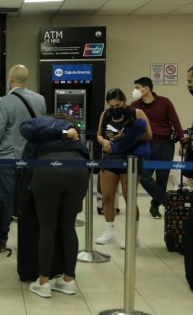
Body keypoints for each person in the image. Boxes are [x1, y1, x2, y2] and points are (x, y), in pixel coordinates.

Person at [20, 114, 90, 298]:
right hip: (79, 168)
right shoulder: (73, 132)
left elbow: (24, 130)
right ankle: (68, 280)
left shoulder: (39, 122)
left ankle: (43, 282)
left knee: (47, 227)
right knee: (68, 226)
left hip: (47, 168)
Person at [0, 64, 46, 249]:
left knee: (6, 198)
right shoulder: (40, 99)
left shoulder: (4, 102)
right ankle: (30, 241)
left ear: (11, 79)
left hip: (8, 157)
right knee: (29, 200)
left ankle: (2, 239)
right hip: (31, 157)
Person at [95, 88, 152, 249]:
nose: (115, 108)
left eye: (118, 105)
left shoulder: (136, 113)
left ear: (125, 100)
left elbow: (149, 134)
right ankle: (109, 231)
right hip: (110, 159)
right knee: (107, 197)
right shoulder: (105, 115)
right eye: (111, 106)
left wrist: (126, 136)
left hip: (131, 159)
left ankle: (133, 236)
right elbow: (99, 134)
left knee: (129, 198)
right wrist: (103, 142)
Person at [130, 77, 186, 219]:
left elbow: (175, 121)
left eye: (137, 87)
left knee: (162, 178)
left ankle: (155, 206)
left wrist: (183, 142)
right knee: (144, 176)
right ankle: (167, 202)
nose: (135, 90)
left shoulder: (164, 102)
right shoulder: (134, 105)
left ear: (146, 88)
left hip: (165, 144)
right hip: (145, 145)